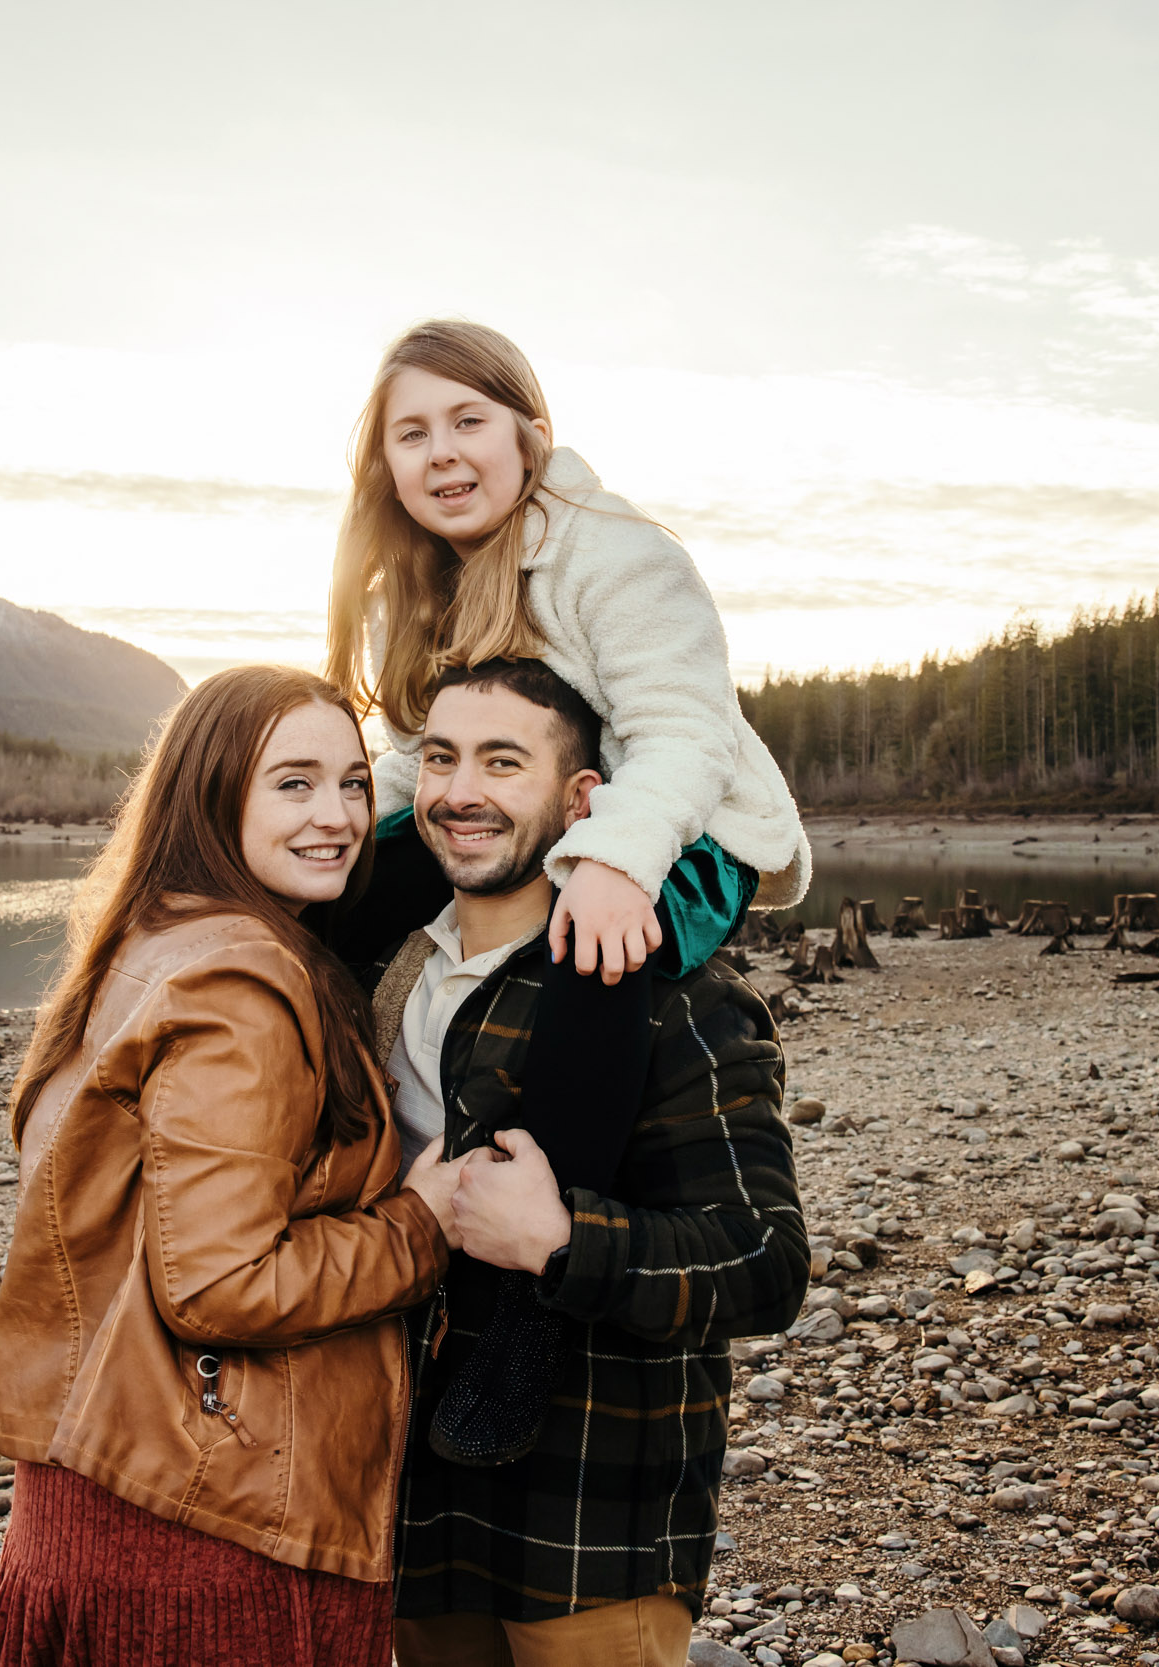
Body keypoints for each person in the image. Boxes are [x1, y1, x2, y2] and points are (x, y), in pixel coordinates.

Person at [325, 318, 812, 1464]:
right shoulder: (416, 584)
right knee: (334, 906)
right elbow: (410, 755)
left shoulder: (617, 553)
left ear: (530, 435)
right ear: (383, 461)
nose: (442, 451)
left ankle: (521, 1309)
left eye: (468, 421)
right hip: (561, 808)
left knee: (605, 952)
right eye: (412, 431)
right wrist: (326, 830)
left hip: (680, 816)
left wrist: (610, 861)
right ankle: (324, 1177)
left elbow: (681, 735)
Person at [0, 665, 470, 1667]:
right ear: (211, 791)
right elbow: (221, 1281)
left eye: (352, 782)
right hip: (211, 1516)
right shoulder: (241, 982)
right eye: (292, 783)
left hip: (102, 1478)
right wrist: (423, 1221)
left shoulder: (145, 941)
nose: (334, 814)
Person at [370, 657, 808, 1666]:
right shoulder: (389, 978)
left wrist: (565, 1241)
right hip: (411, 1508)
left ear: (584, 799)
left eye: (501, 761)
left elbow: (764, 1263)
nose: (459, 791)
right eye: (440, 758)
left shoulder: (672, 996)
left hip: (589, 1527)